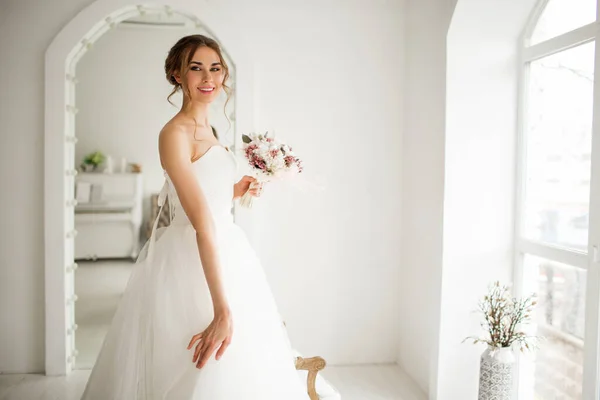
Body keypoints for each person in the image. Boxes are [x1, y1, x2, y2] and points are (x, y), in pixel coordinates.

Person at [81, 34, 309, 399]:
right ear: (177, 75)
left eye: (215, 69)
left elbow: (209, 196)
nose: (208, 78)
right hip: (193, 256)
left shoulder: (212, 131)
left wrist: (238, 189)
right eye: (196, 68)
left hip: (229, 249)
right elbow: (202, 222)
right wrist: (221, 309)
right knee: (196, 364)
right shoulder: (174, 134)